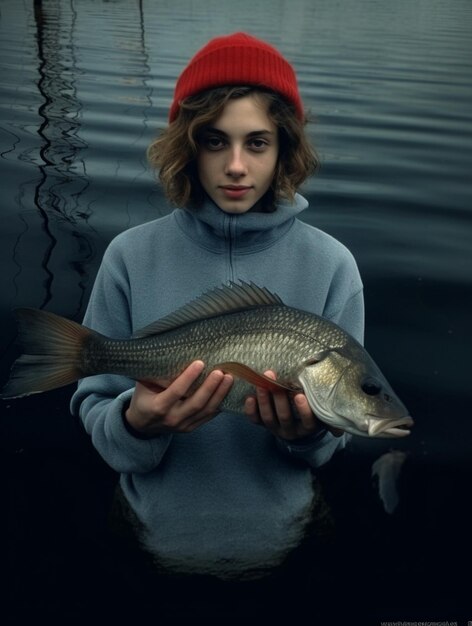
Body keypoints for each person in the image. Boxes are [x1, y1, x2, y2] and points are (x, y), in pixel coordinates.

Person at [71, 32, 364, 582]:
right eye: (214, 141)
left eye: (257, 142)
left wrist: (309, 436)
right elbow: (97, 414)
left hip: (286, 539)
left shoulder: (333, 265)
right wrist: (137, 425)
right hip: (146, 535)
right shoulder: (129, 256)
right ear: (188, 145)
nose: (235, 165)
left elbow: (332, 441)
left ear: (284, 148)